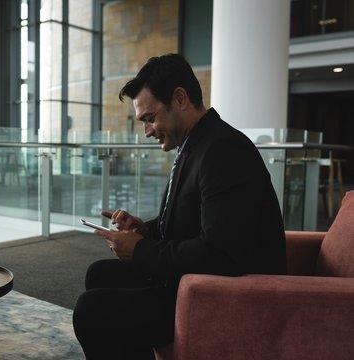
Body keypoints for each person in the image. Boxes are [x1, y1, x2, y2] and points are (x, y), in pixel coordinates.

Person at [72, 53, 286, 360]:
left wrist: (142, 251)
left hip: (223, 296)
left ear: (180, 99)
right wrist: (145, 230)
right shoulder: (199, 144)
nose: (147, 131)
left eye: (150, 118)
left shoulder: (225, 150)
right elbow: (193, 218)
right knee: (100, 274)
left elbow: (221, 254)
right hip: (195, 282)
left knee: (91, 311)